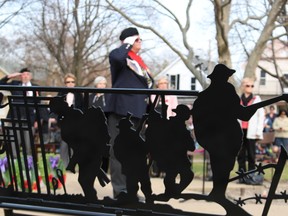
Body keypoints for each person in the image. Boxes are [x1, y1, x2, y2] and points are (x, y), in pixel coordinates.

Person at [104, 27, 154, 199]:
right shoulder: (120, 56)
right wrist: (127, 43)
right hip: (121, 109)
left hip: (138, 112)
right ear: (129, 41)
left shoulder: (139, 61)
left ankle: (131, 189)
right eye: (137, 40)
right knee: (119, 152)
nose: (140, 42)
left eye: (140, 40)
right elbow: (117, 56)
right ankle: (120, 190)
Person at [0, 68, 39, 157]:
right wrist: (10, 76)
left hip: (29, 120)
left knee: (28, 145)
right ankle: (15, 164)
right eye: (23, 74)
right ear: (20, 76)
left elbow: (38, 106)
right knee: (14, 145)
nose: (25, 76)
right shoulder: (15, 85)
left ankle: (28, 166)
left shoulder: (35, 87)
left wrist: (37, 119)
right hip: (15, 119)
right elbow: (1, 84)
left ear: (30, 76)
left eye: (27, 74)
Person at [237, 78, 265, 184]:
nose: (250, 88)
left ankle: (251, 175)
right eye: (248, 85)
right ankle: (241, 176)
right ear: (243, 86)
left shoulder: (257, 99)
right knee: (240, 154)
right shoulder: (238, 99)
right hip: (240, 131)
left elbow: (260, 115)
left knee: (251, 154)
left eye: (252, 86)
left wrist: (259, 131)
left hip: (251, 131)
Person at [150, 76, 178, 177]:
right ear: (158, 84)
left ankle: (167, 170)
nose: (163, 85)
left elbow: (175, 109)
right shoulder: (154, 94)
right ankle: (156, 170)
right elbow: (152, 106)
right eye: (161, 83)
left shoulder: (172, 94)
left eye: (165, 83)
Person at [57, 73, 84, 168]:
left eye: (72, 82)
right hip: (64, 121)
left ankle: (72, 165)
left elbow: (82, 108)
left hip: (76, 121)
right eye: (68, 82)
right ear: (65, 83)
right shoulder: (60, 93)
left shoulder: (79, 94)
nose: (70, 84)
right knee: (64, 144)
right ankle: (63, 165)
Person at [89, 76, 109, 173]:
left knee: (104, 148)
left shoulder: (108, 96)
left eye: (103, 84)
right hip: (92, 126)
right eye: (100, 83)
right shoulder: (91, 96)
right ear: (96, 85)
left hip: (104, 126)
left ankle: (104, 169)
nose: (102, 85)